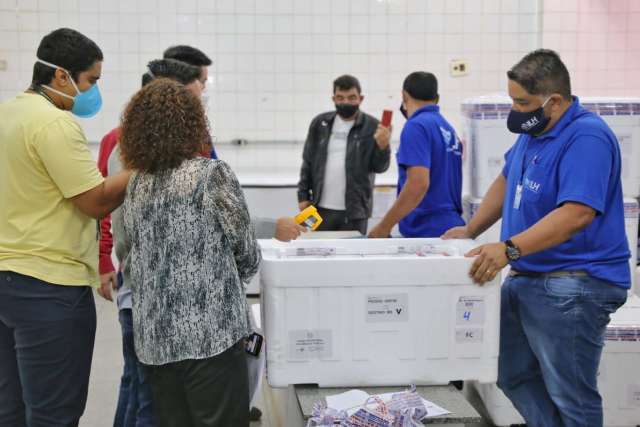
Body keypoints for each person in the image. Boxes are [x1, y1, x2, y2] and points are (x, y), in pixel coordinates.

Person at [443, 49, 630, 426]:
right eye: (512, 99)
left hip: (574, 283)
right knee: (509, 370)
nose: (515, 109)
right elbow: (507, 177)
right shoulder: (536, 131)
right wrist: (472, 229)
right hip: (530, 277)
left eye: (522, 102)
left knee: (571, 395)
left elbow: (577, 213)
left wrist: (509, 249)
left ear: (554, 101)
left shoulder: (586, 138)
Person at [0, 28, 130, 427]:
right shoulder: (55, 124)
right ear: (61, 76)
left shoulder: (8, 113)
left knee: (11, 409)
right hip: (49, 287)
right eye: (91, 80)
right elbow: (95, 201)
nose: (92, 91)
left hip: (6, 279)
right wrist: (141, 166)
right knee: (53, 413)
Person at [119, 78, 260, 427]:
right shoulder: (211, 175)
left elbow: (134, 256)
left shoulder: (136, 183)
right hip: (212, 337)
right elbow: (246, 250)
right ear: (193, 124)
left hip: (157, 340)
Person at [103, 58, 207, 427]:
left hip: (140, 290)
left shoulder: (139, 150)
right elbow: (115, 214)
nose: (201, 98)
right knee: (149, 396)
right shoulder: (131, 152)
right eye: (195, 91)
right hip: (151, 295)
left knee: (138, 386)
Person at [369, 72, 464, 238]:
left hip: (427, 229)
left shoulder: (416, 126)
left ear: (404, 96)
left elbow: (418, 183)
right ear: (437, 98)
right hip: (451, 225)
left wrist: (384, 226)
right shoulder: (447, 128)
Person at [297, 75, 391, 235]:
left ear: (361, 98)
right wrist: (303, 196)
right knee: (317, 253)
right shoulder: (320, 123)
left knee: (351, 256)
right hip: (319, 209)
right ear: (333, 98)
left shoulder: (373, 126)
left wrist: (383, 146)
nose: (346, 102)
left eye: (351, 97)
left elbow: (380, 167)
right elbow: (308, 162)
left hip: (355, 212)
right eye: (340, 98)